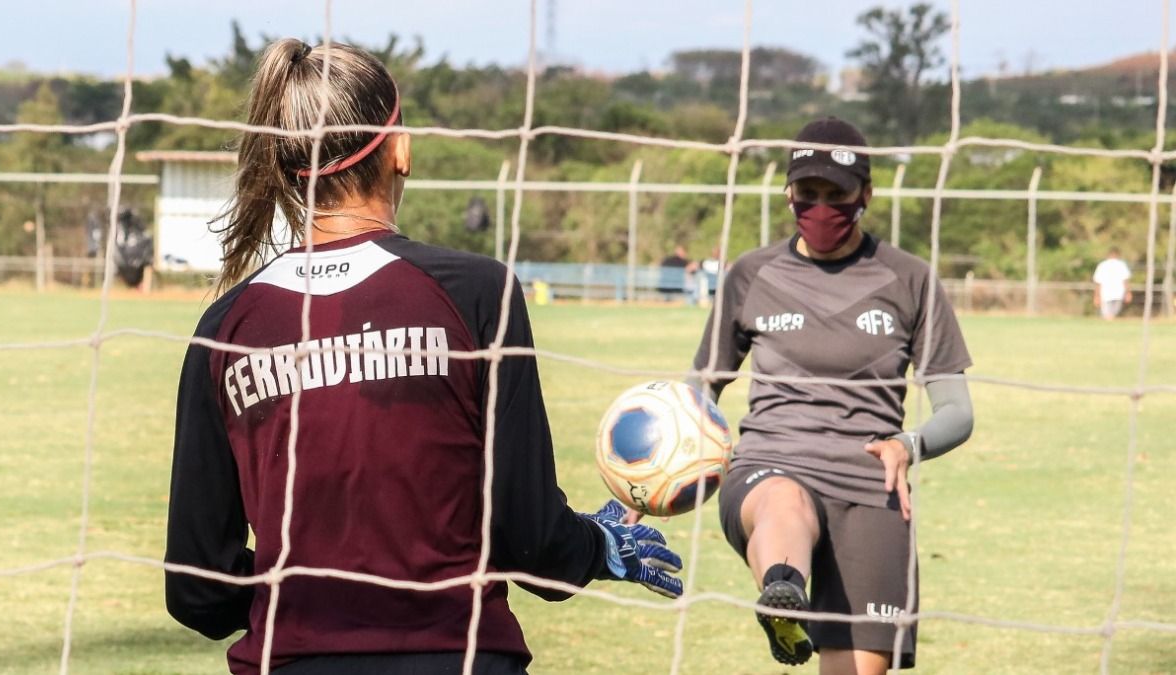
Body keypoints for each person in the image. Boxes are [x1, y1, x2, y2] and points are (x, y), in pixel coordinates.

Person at [164, 39, 684, 675]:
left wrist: (298, 598)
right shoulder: (478, 293)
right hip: (460, 656)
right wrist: (592, 546)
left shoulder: (227, 325)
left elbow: (195, 588)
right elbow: (530, 542)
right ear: (399, 148)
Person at [689, 117, 974, 674]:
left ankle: (790, 603)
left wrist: (906, 446)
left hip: (870, 482)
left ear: (866, 194)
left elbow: (958, 411)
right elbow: (701, 387)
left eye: (836, 194)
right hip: (770, 464)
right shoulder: (751, 274)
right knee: (784, 500)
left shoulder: (910, 279)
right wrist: (656, 459)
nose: (820, 208)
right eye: (808, 193)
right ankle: (782, 594)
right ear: (789, 192)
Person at [1093, 247, 1132, 320]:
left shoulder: (1103, 265)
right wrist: (1128, 293)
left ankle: (1108, 327)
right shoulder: (1120, 265)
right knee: (1110, 315)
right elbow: (1126, 281)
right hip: (1115, 293)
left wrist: (1096, 296)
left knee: (1110, 315)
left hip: (1108, 293)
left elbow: (1098, 282)